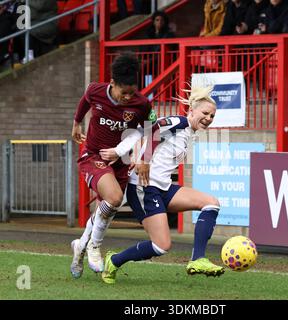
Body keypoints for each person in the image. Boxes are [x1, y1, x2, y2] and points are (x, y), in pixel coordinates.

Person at [99, 86, 225, 285]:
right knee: (161, 245)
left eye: (212, 115)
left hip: (163, 188)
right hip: (143, 187)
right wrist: (142, 159)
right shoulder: (179, 122)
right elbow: (149, 129)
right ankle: (114, 260)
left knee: (211, 203)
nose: (209, 118)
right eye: (205, 113)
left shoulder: (190, 133)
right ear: (191, 111)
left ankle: (198, 259)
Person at [70, 52, 158, 279]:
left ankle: (80, 245)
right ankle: (94, 246)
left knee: (106, 211)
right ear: (112, 84)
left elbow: (149, 130)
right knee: (115, 198)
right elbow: (84, 101)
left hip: (120, 163)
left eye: (132, 92)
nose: (127, 97)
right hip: (93, 156)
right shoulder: (95, 91)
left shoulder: (142, 104)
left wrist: (144, 158)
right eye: (123, 92)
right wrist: (76, 123)